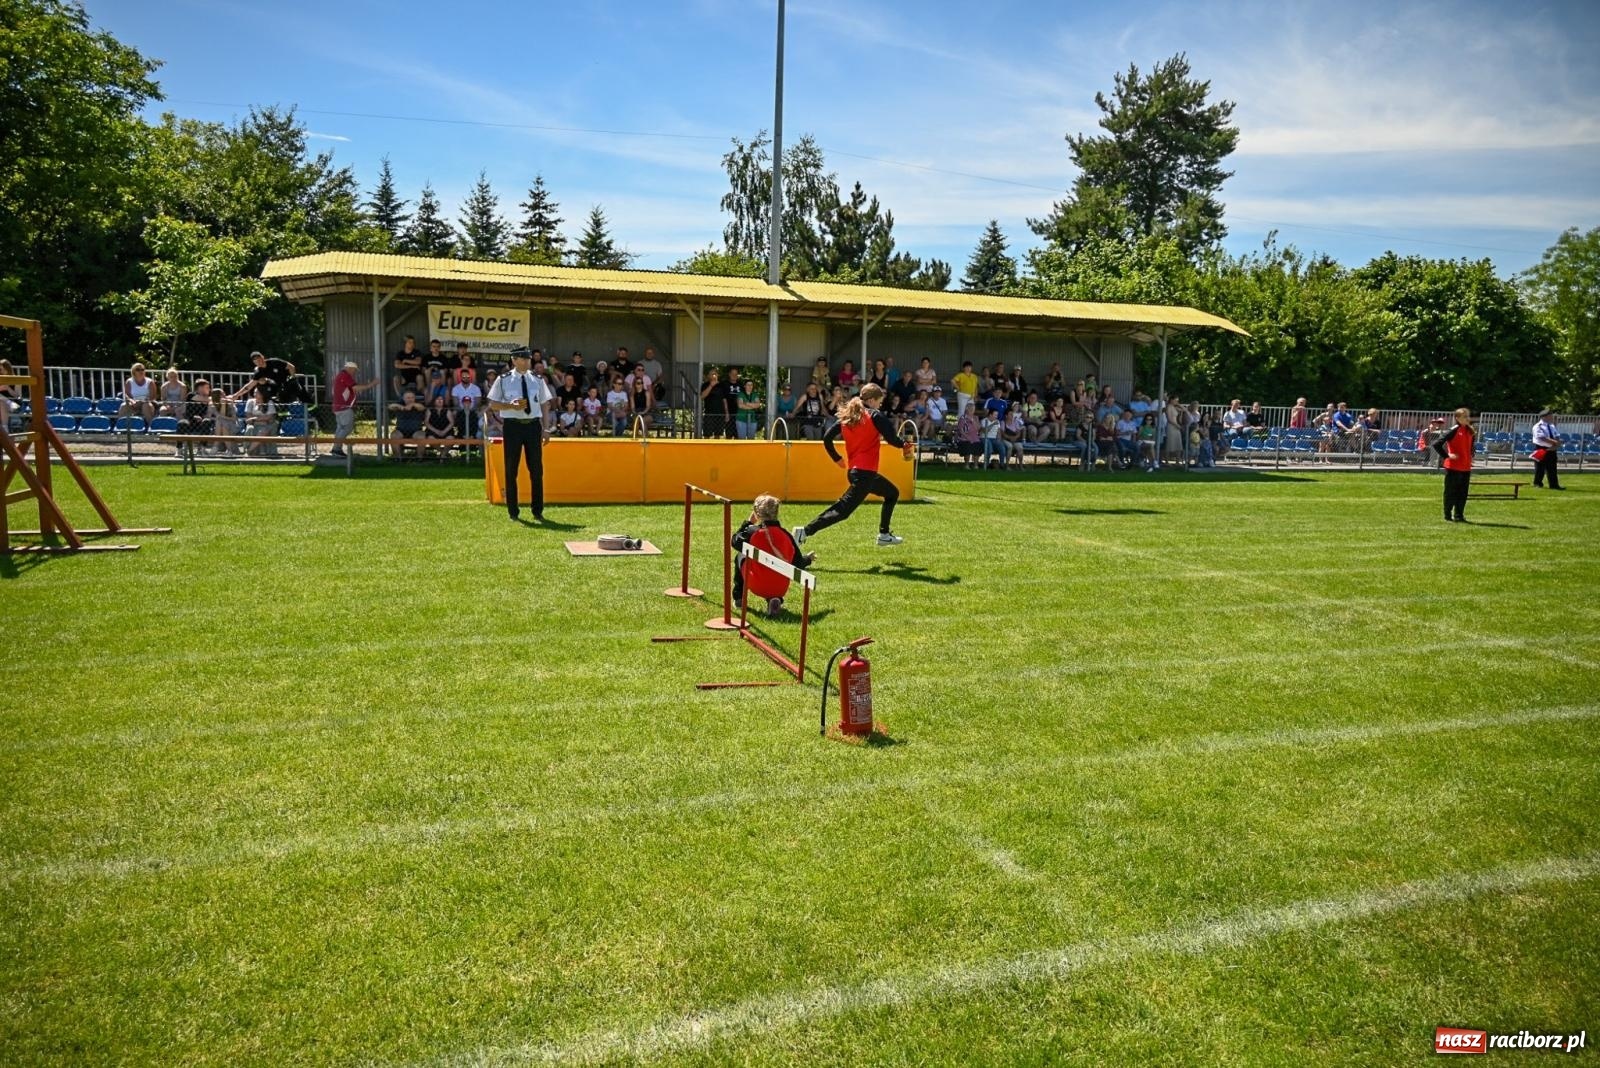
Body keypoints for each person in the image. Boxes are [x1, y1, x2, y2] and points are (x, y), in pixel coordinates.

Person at [794, 383, 912, 548]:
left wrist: (837, 458)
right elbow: (892, 439)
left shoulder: (849, 417)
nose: (880, 405)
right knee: (842, 511)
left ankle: (884, 534)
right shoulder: (874, 416)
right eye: (879, 401)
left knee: (892, 493)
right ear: (871, 400)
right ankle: (805, 531)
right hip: (864, 474)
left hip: (858, 472)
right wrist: (905, 445)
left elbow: (827, 438)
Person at [487, 347, 552, 521]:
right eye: (522, 359)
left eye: (528, 359)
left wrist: (546, 428)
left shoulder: (537, 379)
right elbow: (493, 404)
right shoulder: (503, 380)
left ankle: (537, 510)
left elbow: (545, 404)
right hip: (513, 427)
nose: (526, 362)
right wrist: (510, 406)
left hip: (532, 426)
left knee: (536, 469)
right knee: (511, 469)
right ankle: (513, 511)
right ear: (514, 360)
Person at [731, 494, 815, 617]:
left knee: (740, 555)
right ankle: (774, 599)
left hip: (756, 585)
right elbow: (798, 563)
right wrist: (808, 559)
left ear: (756, 513)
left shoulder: (752, 532)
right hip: (780, 588)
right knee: (774, 569)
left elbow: (734, 541)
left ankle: (739, 598)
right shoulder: (786, 535)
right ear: (776, 512)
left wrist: (748, 523)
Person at [1433, 407, 1476, 522]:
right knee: (1451, 492)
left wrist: (1471, 456)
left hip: (1466, 467)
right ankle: (1447, 515)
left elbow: (1471, 446)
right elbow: (1436, 444)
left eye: (1468, 416)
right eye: (1464, 416)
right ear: (1457, 418)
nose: (1467, 418)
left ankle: (1459, 515)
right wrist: (1447, 456)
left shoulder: (1470, 430)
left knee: (1463, 493)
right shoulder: (1454, 430)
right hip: (1453, 467)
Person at [330, 361, 375, 458]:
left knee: (340, 428)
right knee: (347, 428)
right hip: (344, 407)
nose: (354, 372)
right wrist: (371, 384)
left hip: (338, 407)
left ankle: (336, 448)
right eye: (354, 370)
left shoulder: (340, 375)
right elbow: (356, 388)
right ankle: (336, 449)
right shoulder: (345, 376)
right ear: (350, 368)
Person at [388, 390, 427, 459]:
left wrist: (412, 405)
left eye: (412, 397)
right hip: (401, 431)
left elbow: (422, 407)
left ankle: (419, 459)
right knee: (394, 436)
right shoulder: (399, 404)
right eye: (408, 397)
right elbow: (390, 406)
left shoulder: (418, 405)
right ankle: (399, 458)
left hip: (416, 431)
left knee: (422, 436)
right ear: (403, 398)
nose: (410, 399)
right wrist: (400, 406)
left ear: (414, 398)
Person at [1531, 408, 1564, 490]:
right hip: (1541, 448)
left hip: (1552, 449)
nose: (1552, 417)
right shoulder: (1538, 426)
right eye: (1550, 415)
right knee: (1540, 468)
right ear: (1544, 417)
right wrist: (1555, 443)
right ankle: (1537, 483)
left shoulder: (1552, 426)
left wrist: (1557, 443)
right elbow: (1542, 438)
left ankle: (1554, 485)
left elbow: (1556, 435)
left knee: (1552, 468)